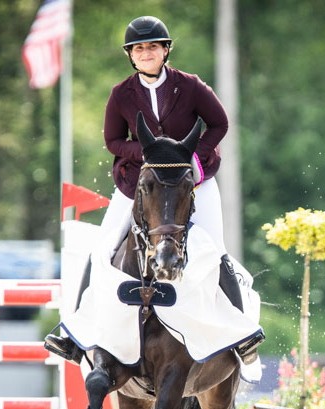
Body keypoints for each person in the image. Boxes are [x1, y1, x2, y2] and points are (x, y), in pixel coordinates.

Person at [45, 15, 264, 365]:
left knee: (215, 250)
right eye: (139, 48)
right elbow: (113, 140)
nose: (146, 53)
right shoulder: (121, 94)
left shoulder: (190, 86)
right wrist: (146, 154)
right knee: (102, 250)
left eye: (153, 47)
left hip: (193, 183)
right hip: (141, 186)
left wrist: (192, 156)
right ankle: (72, 334)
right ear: (131, 55)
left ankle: (241, 334)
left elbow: (220, 122)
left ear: (166, 50)